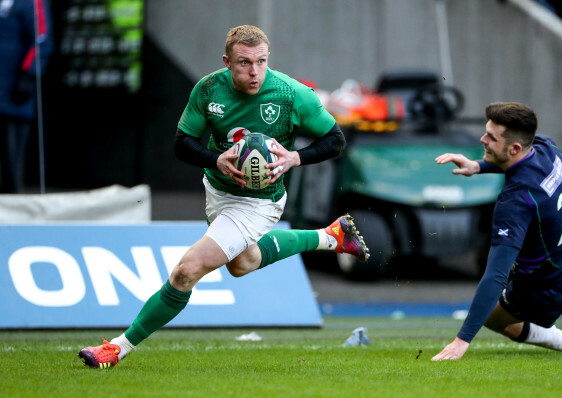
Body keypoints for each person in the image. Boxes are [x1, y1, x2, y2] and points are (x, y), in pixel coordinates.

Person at [78, 25, 369, 369]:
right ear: (227, 61)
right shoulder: (208, 89)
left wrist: (295, 158)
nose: (254, 71)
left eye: (261, 62)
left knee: (187, 271)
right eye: (244, 63)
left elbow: (336, 139)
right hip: (217, 191)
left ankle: (118, 347)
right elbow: (182, 143)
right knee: (242, 264)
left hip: (258, 203)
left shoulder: (291, 94)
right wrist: (215, 159)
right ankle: (329, 236)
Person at [432, 102, 562, 361]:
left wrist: (462, 340)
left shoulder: (515, 201)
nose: (482, 139)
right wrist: (478, 166)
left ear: (514, 147)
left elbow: (496, 275)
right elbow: (516, 161)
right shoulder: (546, 147)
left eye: (491, 138)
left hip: (544, 288)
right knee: (541, 249)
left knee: (493, 319)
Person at [0, 0, 53, 193]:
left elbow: (41, 39)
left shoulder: (31, 2)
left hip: (13, 94)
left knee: (11, 162)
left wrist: (29, 73)